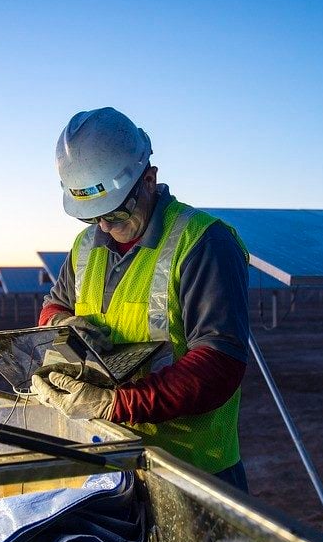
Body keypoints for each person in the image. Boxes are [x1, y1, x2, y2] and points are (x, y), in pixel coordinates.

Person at [31, 107, 251, 493]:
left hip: (192, 472)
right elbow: (54, 305)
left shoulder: (204, 242)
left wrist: (113, 404)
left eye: (114, 212)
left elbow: (220, 365)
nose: (103, 226)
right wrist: (59, 326)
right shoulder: (86, 246)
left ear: (149, 179)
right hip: (109, 458)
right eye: (91, 216)